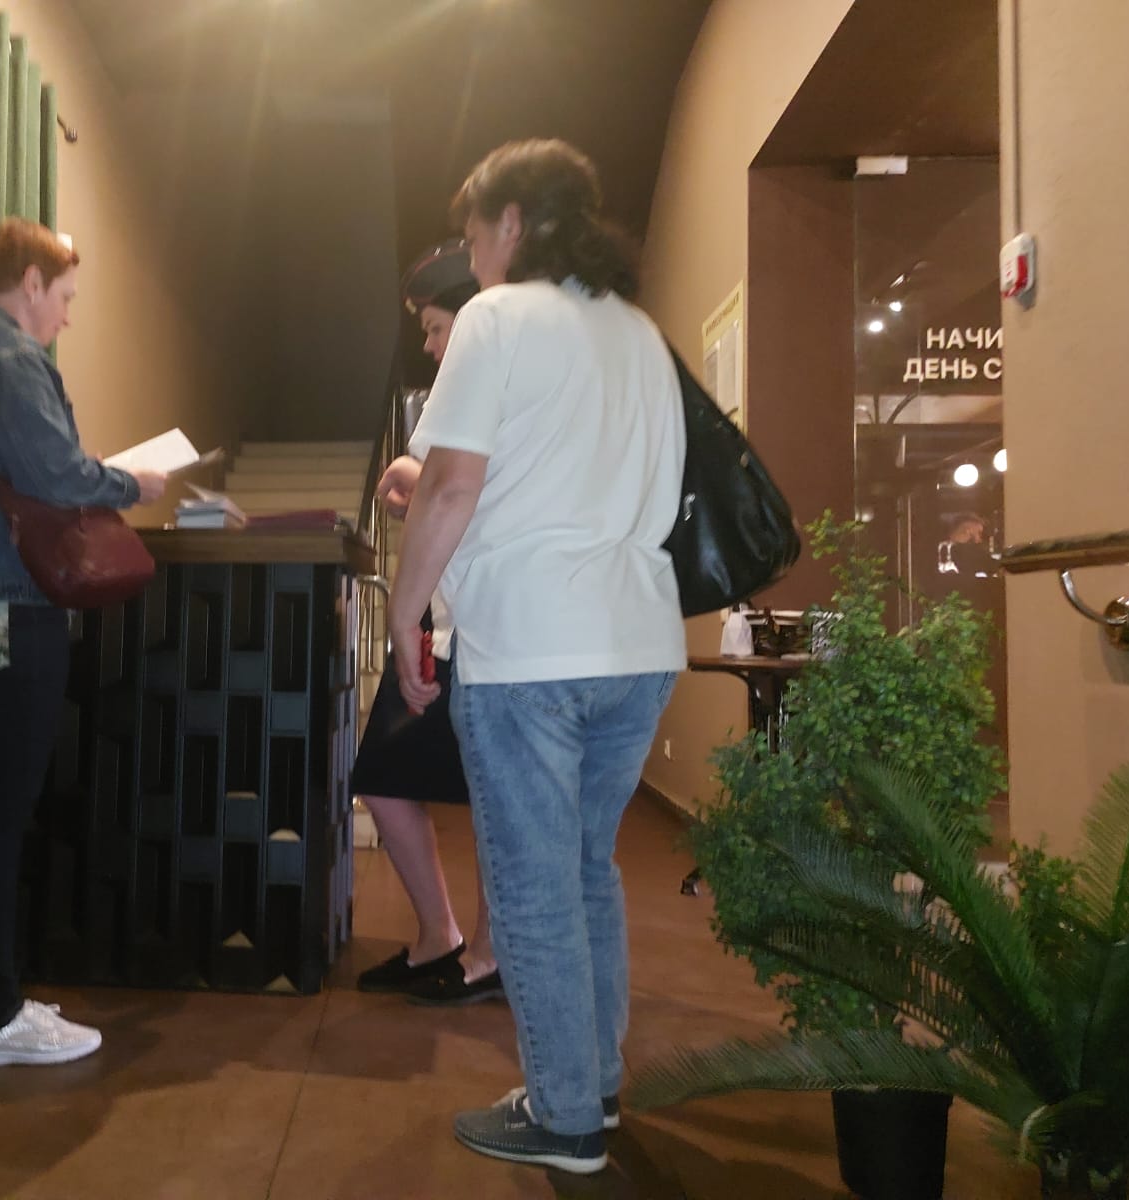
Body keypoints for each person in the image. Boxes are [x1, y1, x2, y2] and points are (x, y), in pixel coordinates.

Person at [388, 140, 685, 1174]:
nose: (472, 258)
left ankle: (563, 1119)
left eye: (474, 235)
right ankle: (589, 1089)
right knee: (586, 871)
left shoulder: (497, 318)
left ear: (512, 222)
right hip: (639, 643)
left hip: (530, 647)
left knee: (531, 885)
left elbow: (451, 484)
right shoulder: (640, 332)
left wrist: (407, 612)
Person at [0, 217, 167, 1068]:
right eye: (65, 296)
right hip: (0, 605)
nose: (67, 316)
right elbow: (54, 473)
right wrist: (134, 481)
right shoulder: (10, 356)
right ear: (32, 282)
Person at [352, 239, 502, 1006]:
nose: (432, 346)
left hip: (473, 631)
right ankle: (442, 935)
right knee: (382, 779)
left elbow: (468, 496)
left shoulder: (494, 380)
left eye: (437, 328)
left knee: (495, 796)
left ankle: (488, 951)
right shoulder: (468, 390)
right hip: (445, 625)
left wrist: (420, 479)